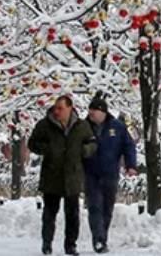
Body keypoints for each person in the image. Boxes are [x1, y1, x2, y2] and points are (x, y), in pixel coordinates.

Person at [28, 95, 97, 255]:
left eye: (60, 108)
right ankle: (47, 244)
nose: (56, 111)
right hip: (51, 175)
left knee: (72, 214)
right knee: (49, 213)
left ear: (70, 108)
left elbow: (92, 143)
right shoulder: (45, 125)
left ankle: (71, 245)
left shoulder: (82, 126)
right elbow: (32, 143)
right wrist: (46, 149)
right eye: (55, 108)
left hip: (72, 176)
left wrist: (85, 151)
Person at [83, 94, 138, 254]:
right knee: (94, 207)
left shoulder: (117, 127)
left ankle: (103, 237)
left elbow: (128, 146)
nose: (91, 113)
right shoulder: (83, 127)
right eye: (90, 110)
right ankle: (98, 239)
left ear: (103, 112)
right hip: (90, 173)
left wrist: (130, 165)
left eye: (94, 110)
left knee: (107, 208)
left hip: (110, 173)